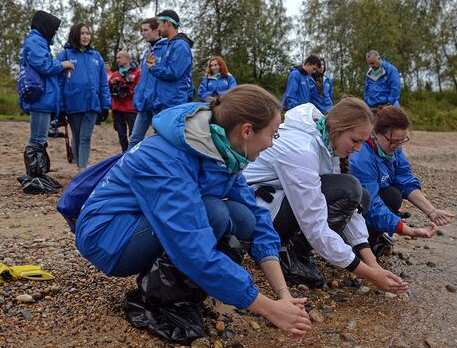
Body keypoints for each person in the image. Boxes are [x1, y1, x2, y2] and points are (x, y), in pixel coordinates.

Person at [75, 85, 311, 340]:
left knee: (244, 217)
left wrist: (282, 292)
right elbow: (192, 248)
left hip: (138, 224)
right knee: (215, 214)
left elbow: (259, 219)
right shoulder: (170, 158)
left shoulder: (221, 149)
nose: (272, 143)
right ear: (246, 131)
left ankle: (186, 294)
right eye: (273, 135)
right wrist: (269, 309)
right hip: (109, 238)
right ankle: (160, 300)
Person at [243, 98, 409, 293]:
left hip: (278, 198)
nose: (357, 149)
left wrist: (372, 263)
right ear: (338, 129)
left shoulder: (326, 137)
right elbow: (315, 225)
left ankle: (297, 249)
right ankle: (291, 253)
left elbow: (351, 209)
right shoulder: (301, 150)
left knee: (360, 195)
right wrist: (370, 275)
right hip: (256, 210)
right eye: (355, 141)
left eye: (362, 143)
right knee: (350, 188)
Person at [349, 106, 454, 256]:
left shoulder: (394, 148)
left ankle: (372, 238)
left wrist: (431, 211)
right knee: (389, 198)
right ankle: (357, 243)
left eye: (401, 141)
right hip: (353, 207)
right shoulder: (361, 158)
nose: (397, 146)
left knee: (393, 194)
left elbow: (405, 180)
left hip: (374, 198)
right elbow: (372, 205)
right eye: (393, 141)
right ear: (376, 132)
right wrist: (409, 231)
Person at [18, 11, 73, 190]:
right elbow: (44, 65)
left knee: (41, 138)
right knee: (37, 138)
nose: (55, 33)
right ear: (45, 26)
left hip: (44, 98)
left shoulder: (39, 42)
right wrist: (62, 65)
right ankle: (34, 177)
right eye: (54, 29)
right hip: (40, 98)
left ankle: (39, 174)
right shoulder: (35, 41)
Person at [57, 23, 111, 169]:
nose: (86, 36)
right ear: (75, 35)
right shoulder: (65, 54)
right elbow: (59, 81)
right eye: (82, 33)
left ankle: (82, 170)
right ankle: (79, 168)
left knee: (85, 138)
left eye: (88, 33)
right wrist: (60, 106)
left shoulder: (96, 56)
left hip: (92, 103)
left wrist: (105, 105)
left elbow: (103, 83)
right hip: (73, 103)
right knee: (77, 136)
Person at [128, 17, 168, 150]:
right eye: (142, 30)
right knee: (134, 139)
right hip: (144, 103)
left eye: (145, 30)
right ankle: (126, 166)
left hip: (158, 104)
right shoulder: (147, 50)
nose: (143, 33)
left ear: (156, 31)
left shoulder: (167, 49)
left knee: (158, 141)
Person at [145, 10, 194, 111]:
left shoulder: (180, 45)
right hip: (164, 101)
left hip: (174, 103)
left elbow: (173, 73)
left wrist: (153, 69)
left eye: (159, 24)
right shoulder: (170, 45)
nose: (157, 29)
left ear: (168, 23)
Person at [109, 51, 140, 152]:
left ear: (127, 59)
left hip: (130, 108)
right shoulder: (115, 74)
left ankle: (133, 154)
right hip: (117, 107)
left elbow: (138, 89)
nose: (117, 60)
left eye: (119, 57)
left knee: (133, 134)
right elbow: (108, 89)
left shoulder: (137, 73)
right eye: (116, 58)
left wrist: (127, 91)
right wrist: (113, 84)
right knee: (121, 135)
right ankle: (124, 153)